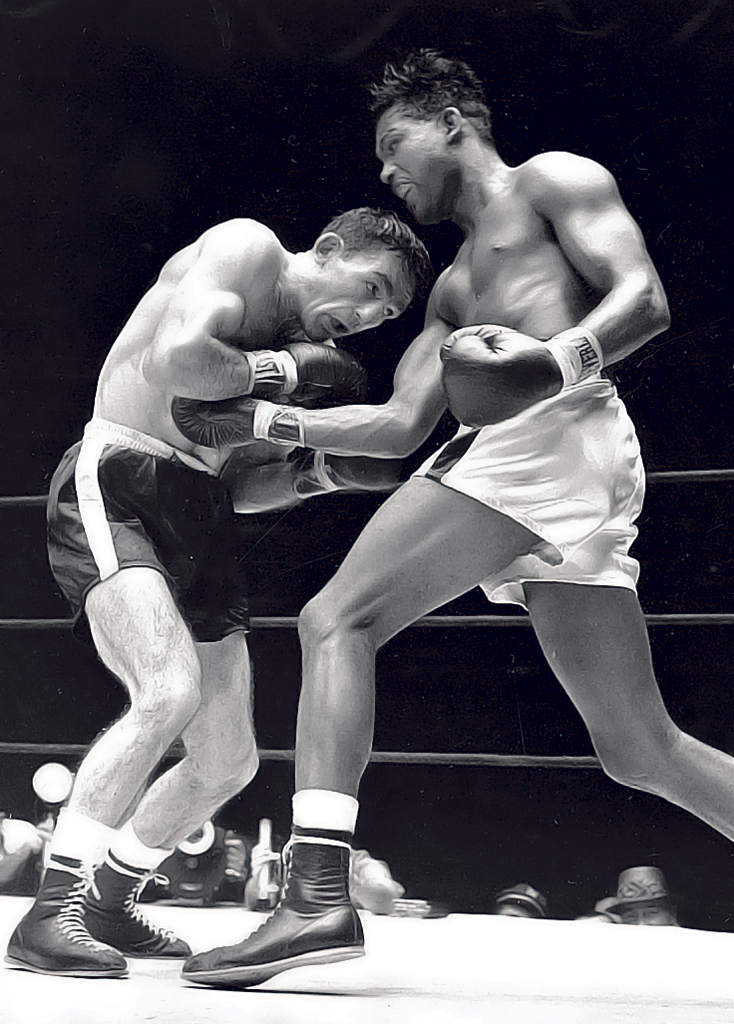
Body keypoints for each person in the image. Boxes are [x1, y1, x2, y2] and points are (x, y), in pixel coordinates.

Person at [181, 48, 734, 990]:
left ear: (453, 118)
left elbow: (645, 298)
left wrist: (555, 360)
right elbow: (399, 428)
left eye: (394, 142)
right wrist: (267, 425)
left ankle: (316, 893)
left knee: (337, 619)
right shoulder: (452, 289)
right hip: (545, 462)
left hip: (557, 433)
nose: (385, 169)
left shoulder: (552, 182)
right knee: (638, 748)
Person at [4, 207, 432, 979]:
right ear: (327, 250)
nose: (368, 317)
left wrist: (317, 470)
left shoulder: (299, 343)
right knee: (165, 693)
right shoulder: (250, 250)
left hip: (199, 508)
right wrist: (292, 379)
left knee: (228, 757)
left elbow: (238, 480)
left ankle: (107, 899)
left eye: (388, 313)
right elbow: (179, 363)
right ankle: (48, 914)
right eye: (369, 288)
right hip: (123, 476)